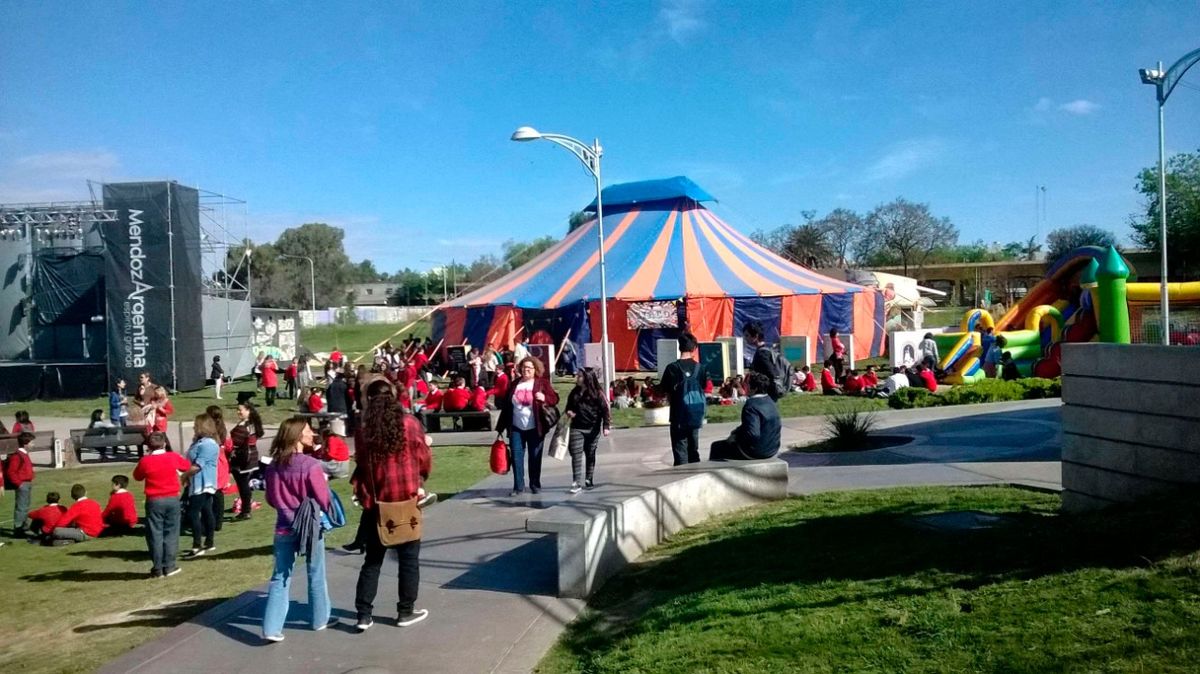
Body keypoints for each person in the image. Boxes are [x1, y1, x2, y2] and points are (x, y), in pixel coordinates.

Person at [352, 378, 433, 631]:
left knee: (373, 561)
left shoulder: (364, 429)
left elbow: (363, 465)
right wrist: (420, 478)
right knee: (409, 560)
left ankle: (364, 614)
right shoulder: (410, 423)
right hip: (407, 499)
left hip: (379, 503)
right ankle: (405, 611)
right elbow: (423, 458)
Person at [262, 417, 334, 642]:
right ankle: (320, 618)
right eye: (308, 431)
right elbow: (323, 498)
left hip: (283, 525)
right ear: (297, 437)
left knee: (280, 576)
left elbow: (270, 498)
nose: (312, 434)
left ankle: (271, 628)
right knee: (316, 572)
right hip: (309, 526)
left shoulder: (274, 465)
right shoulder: (310, 465)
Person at [496, 356, 559, 496]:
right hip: (516, 428)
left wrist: (544, 398)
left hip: (535, 427)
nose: (526, 371)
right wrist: (500, 427)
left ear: (535, 369)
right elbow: (507, 407)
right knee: (516, 457)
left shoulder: (542, 383)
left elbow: (555, 399)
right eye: (524, 368)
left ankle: (535, 484)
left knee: (534, 457)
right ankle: (518, 487)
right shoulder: (514, 384)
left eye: (529, 368)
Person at [133, 432, 190, 577]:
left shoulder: (146, 461)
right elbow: (186, 466)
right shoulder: (172, 457)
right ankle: (169, 565)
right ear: (164, 443)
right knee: (171, 532)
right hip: (171, 498)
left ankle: (157, 567)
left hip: (154, 500)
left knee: (154, 533)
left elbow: (137, 476)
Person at [709, 372, 781, 461]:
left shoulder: (751, 406)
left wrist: (736, 436)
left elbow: (753, 434)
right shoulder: (770, 401)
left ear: (754, 388)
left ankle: (717, 473)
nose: (744, 387)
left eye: (747, 385)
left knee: (716, 447)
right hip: (773, 448)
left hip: (755, 451)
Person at [658, 333, 707, 466]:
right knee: (693, 448)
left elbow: (663, 390)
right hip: (695, 413)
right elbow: (702, 388)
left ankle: (681, 477)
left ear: (680, 347)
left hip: (677, 414)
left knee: (680, 449)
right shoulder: (701, 368)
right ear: (694, 348)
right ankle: (696, 475)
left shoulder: (672, 368)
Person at [564, 367, 611, 493]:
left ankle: (589, 478)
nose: (577, 378)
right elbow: (568, 407)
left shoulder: (598, 393)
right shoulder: (574, 392)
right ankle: (576, 482)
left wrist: (606, 426)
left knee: (590, 454)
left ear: (587, 378)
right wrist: (569, 412)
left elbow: (606, 410)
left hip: (592, 429)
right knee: (576, 455)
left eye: (579, 376)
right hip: (577, 427)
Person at [183, 414, 220, 558]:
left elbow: (199, 465)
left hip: (203, 482)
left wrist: (184, 475)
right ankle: (209, 542)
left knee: (193, 512)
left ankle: (197, 545)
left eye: (196, 425)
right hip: (197, 481)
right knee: (206, 510)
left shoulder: (208, 444)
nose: (193, 427)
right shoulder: (201, 442)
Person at [230, 403, 264, 520]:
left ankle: (245, 510)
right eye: (237, 410)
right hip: (251, 456)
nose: (238, 412)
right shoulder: (253, 423)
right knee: (244, 484)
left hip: (243, 459)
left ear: (248, 410)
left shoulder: (244, 426)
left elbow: (234, 442)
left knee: (243, 484)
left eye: (240, 410)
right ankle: (246, 506)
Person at [745, 322, 790, 401]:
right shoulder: (767, 349)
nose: (745, 338)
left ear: (756, 336)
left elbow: (771, 373)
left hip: (766, 393)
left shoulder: (762, 354)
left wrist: (760, 382)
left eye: (747, 335)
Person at [3, 431, 35, 538]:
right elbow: (11, 472)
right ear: (26, 443)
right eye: (32, 443)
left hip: (27, 483)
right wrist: (19, 484)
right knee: (21, 507)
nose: (33, 445)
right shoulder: (17, 456)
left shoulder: (23, 455)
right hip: (22, 484)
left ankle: (23, 526)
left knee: (25, 506)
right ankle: (18, 529)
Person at [206, 405, 233, 532]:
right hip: (221, 462)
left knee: (209, 494)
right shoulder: (223, 429)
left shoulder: (207, 430)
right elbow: (229, 446)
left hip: (211, 462)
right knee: (219, 494)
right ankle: (218, 522)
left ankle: (210, 520)